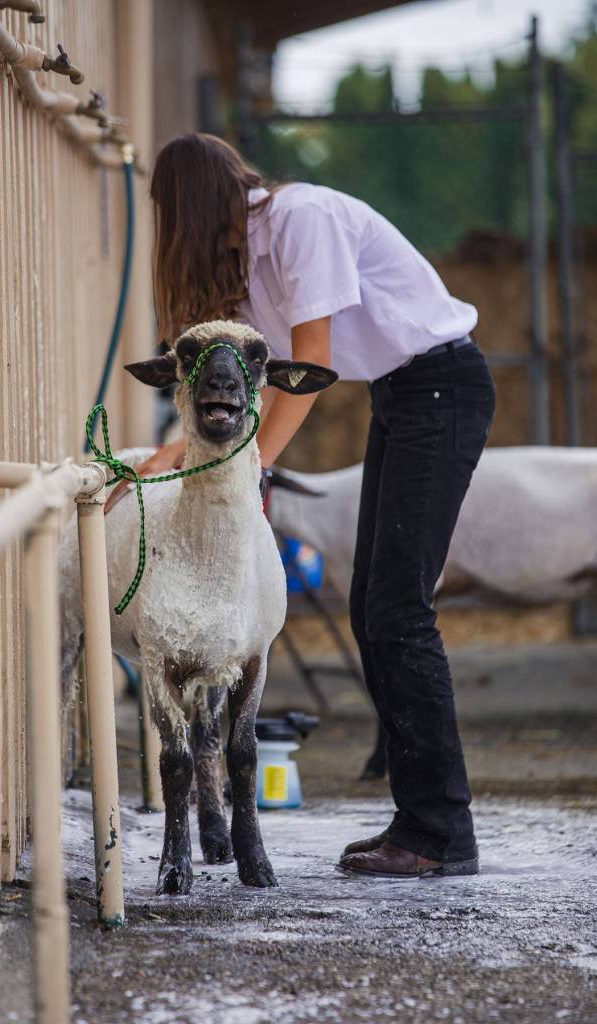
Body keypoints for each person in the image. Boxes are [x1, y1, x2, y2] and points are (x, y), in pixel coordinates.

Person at [109, 132, 495, 878]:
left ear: (186, 208)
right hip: (403, 393)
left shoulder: (300, 219)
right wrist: (171, 456)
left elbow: (307, 369)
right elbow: (236, 383)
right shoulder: (246, 256)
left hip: (439, 386)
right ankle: (422, 822)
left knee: (397, 610)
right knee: (374, 609)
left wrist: (247, 469)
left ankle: (439, 831)